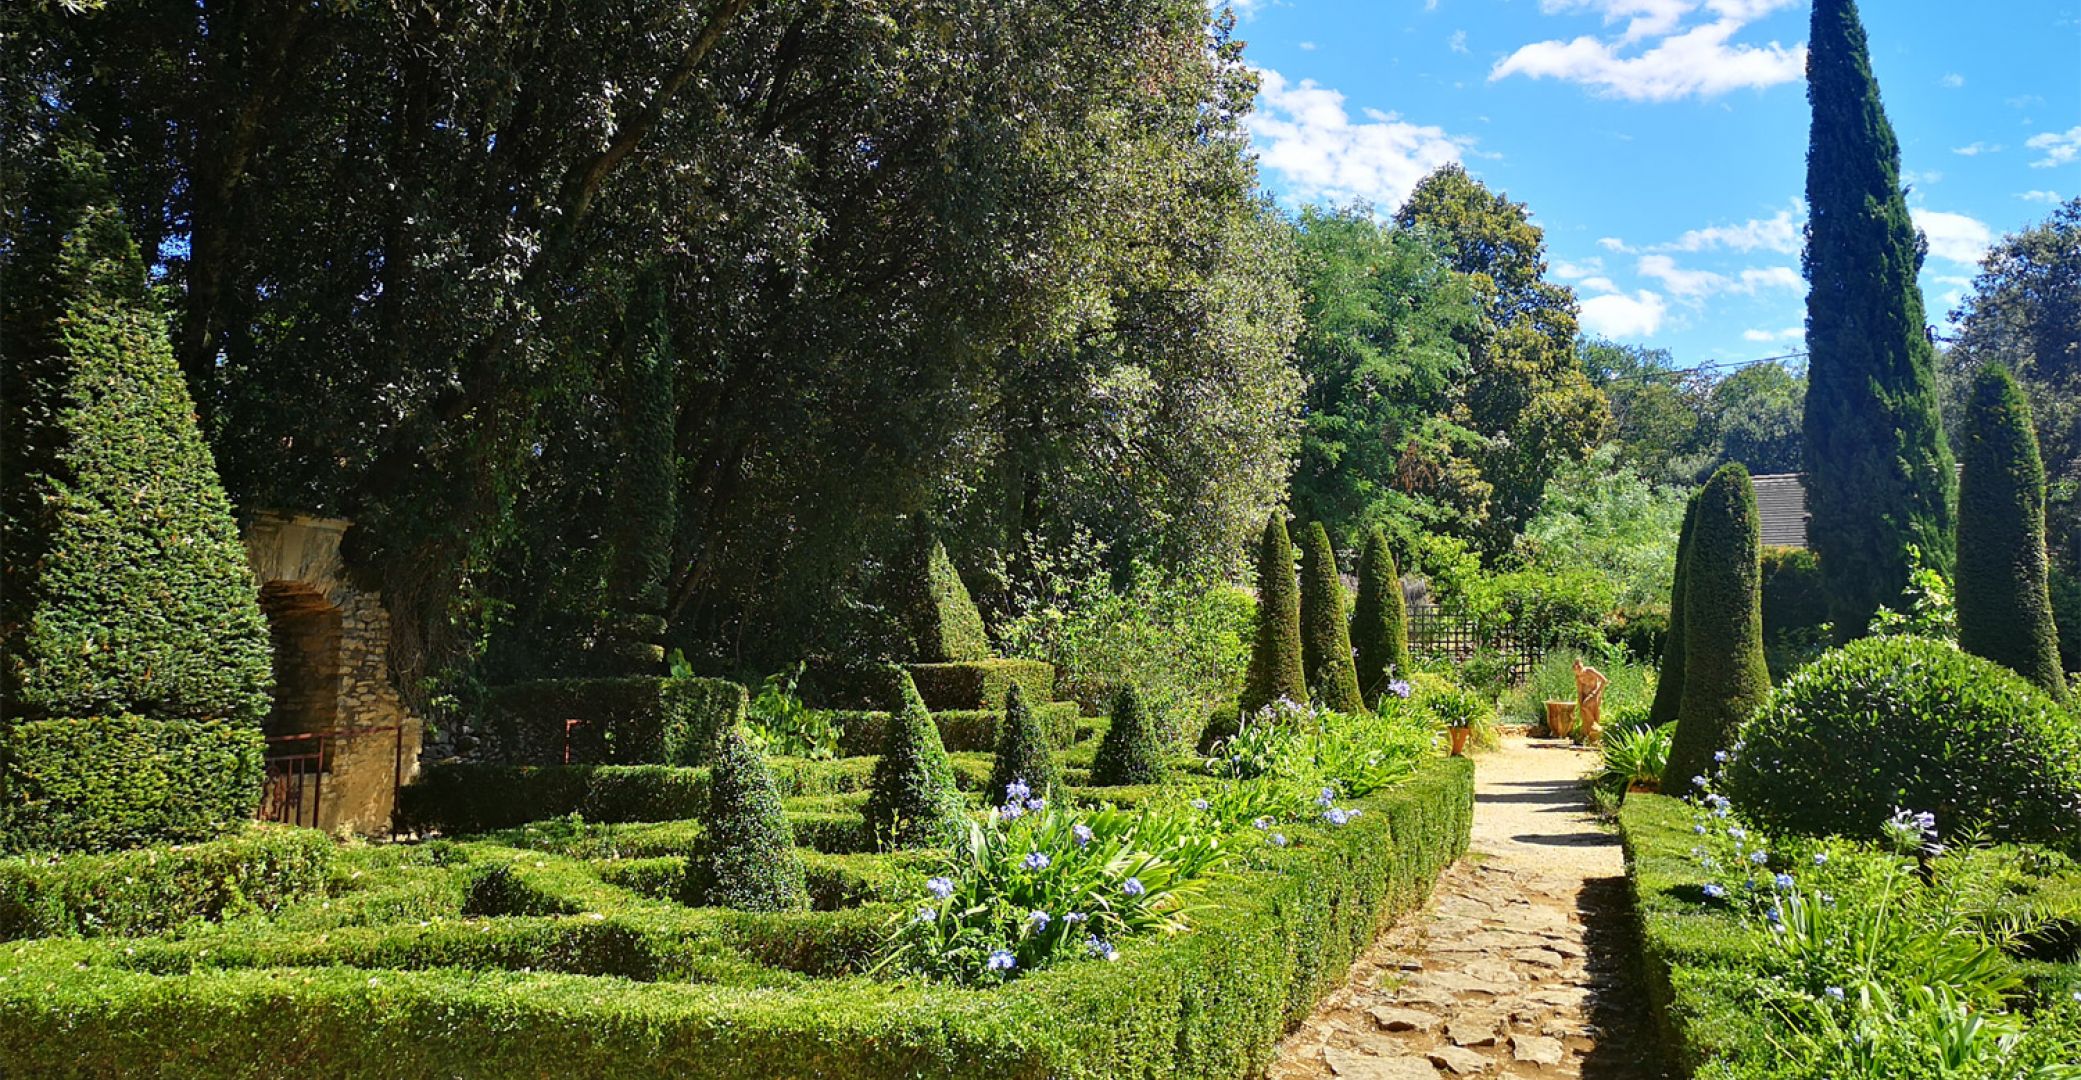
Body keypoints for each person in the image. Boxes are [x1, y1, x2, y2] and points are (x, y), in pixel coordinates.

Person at [1573, 656, 1609, 744]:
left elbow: (1604, 681)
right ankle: (1591, 735)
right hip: (1586, 694)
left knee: (1586, 706)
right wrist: (1579, 703)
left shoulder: (1590, 671)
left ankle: (1594, 725)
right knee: (1584, 709)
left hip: (1595, 692)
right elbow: (1580, 692)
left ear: (1580, 668)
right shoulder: (1578, 677)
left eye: (1579, 672)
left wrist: (1596, 693)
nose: (1579, 675)